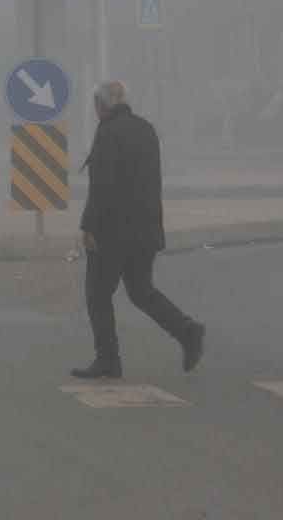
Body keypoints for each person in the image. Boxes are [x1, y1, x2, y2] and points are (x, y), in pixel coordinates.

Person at [72, 81, 206, 380]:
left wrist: (89, 227)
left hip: (113, 232)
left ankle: (108, 360)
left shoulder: (107, 132)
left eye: (95, 105)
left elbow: (103, 186)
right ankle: (187, 331)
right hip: (145, 231)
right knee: (142, 291)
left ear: (101, 106)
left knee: (97, 295)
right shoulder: (146, 129)